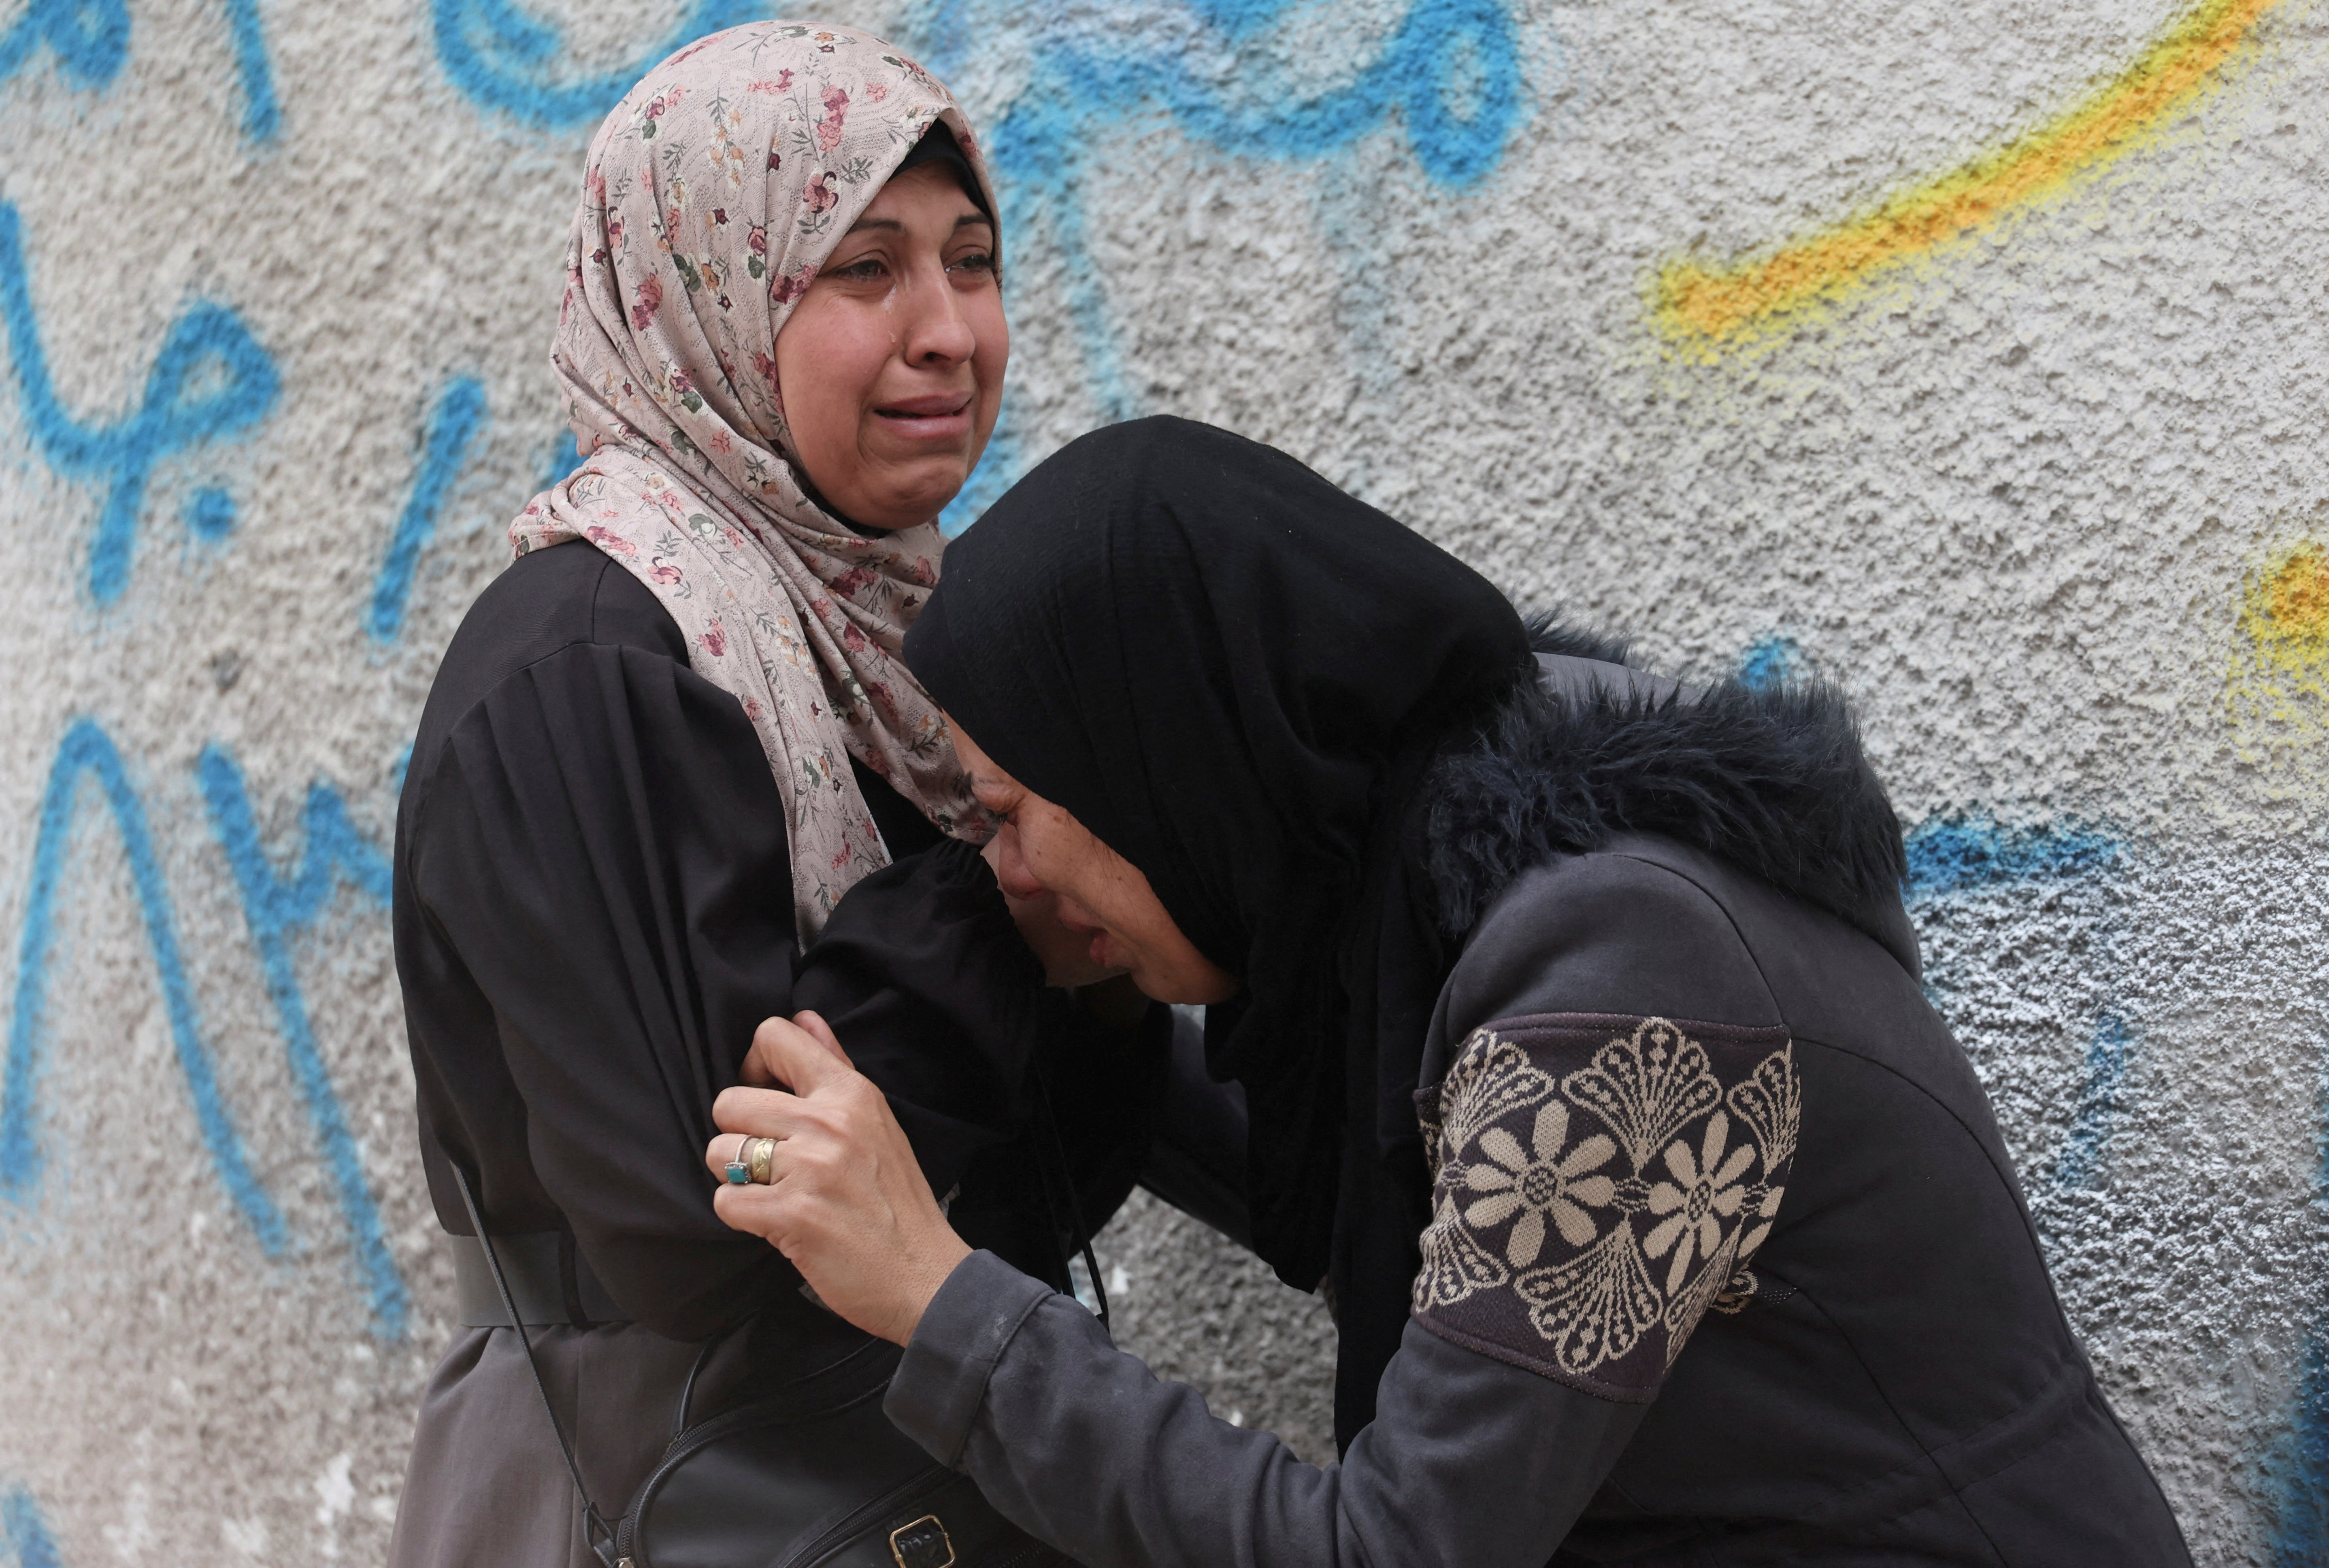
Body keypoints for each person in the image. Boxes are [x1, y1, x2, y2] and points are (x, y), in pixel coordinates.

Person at [704, 417, 2195, 1564]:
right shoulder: (1442, 898)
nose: (1005, 872)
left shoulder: (1627, 1004)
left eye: (1015, 810)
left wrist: (937, 1294)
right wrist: (1080, 1016)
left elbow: (1398, 1550)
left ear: (1167, 776)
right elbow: (1348, 1157)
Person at [386, 24, 1167, 1567]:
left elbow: (1028, 1135)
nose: (950, 330)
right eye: (864, 269)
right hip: (670, 1482)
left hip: (893, 1465)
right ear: (706, 293)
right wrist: (1006, 904)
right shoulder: (598, 663)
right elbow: (704, 1217)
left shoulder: (888, 642)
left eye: (975, 259)